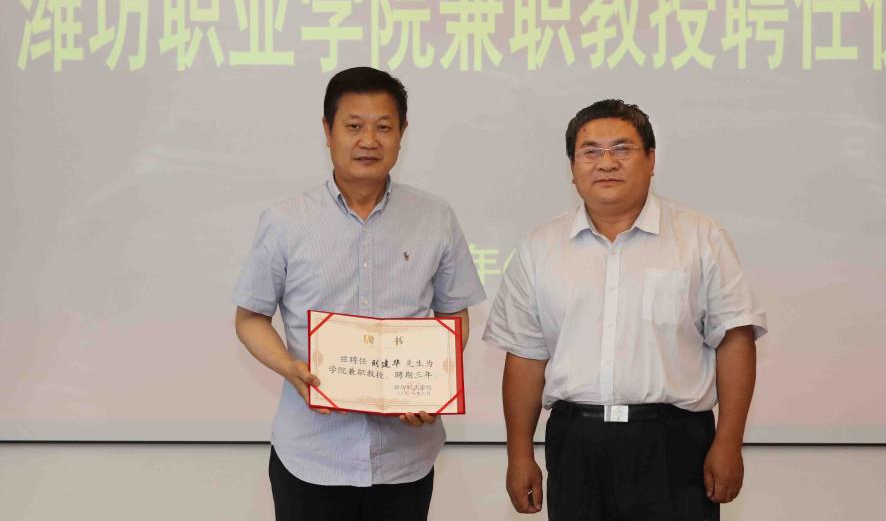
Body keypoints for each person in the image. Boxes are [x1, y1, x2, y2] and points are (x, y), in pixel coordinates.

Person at [483, 99, 767, 520]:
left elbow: (735, 340)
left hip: (674, 444)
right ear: (572, 167)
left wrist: (729, 442)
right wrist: (519, 454)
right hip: (576, 443)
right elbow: (526, 356)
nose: (606, 163)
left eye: (622, 149)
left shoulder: (700, 237)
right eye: (591, 151)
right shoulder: (539, 248)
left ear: (651, 159)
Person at [233, 67, 485, 521]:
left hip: (406, 457)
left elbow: (454, 314)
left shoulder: (435, 217)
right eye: (353, 126)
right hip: (312, 455)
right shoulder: (286, 221)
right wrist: (289, 368)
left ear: (402, 133)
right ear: (328, 131)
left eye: (383, 127)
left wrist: (435, 384)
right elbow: (250, 318)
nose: (369, 140)